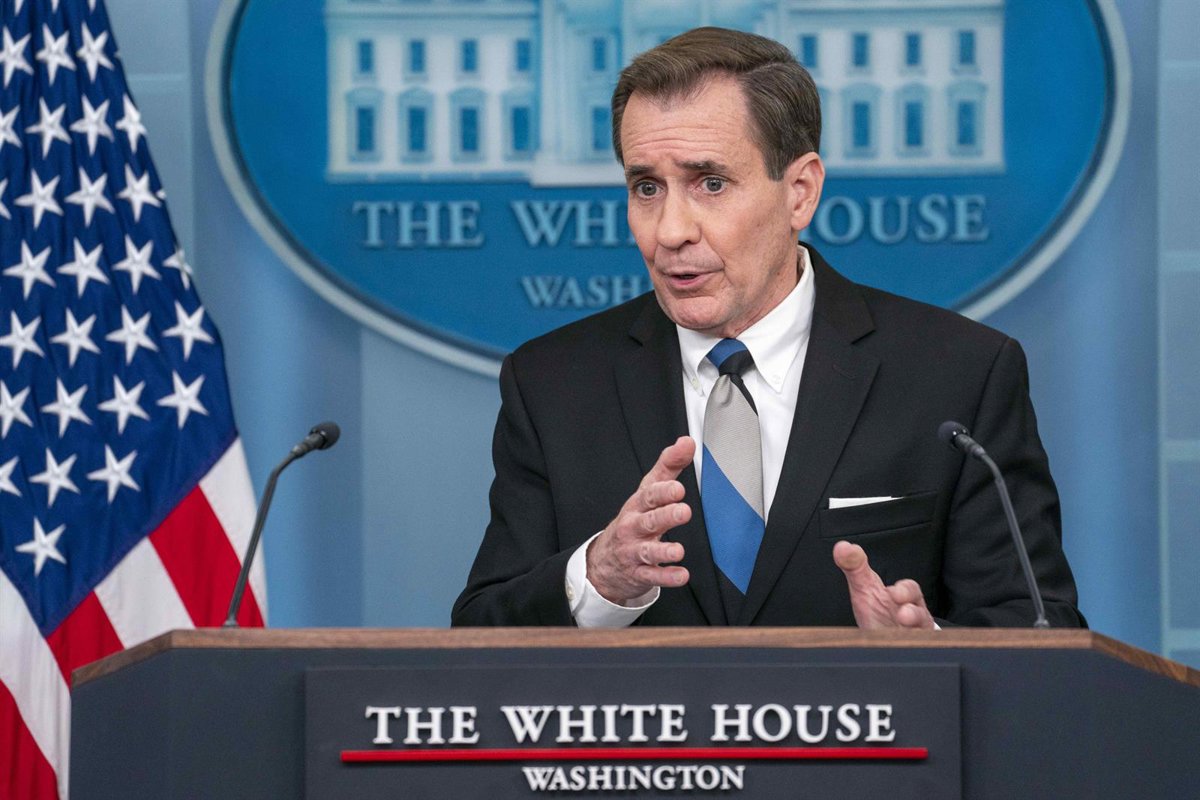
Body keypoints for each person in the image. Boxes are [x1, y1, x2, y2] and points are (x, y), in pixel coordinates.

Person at [451, 27, 1083, 629]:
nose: (670, 230)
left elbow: (1041, 628)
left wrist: (928, 645)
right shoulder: (553, 383)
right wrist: (597, 578)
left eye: (711, 183)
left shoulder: (959, 374)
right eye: (646, 188)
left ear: (800, 192)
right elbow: (478, 635)